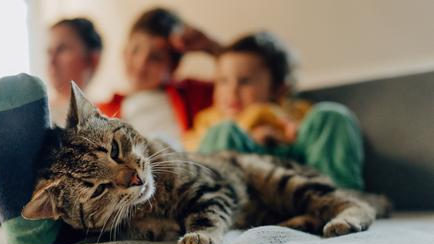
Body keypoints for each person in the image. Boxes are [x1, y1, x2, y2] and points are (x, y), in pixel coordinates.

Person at [190, 31, 364, 190]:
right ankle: (219, 203)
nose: (231, 90)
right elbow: (194, 150)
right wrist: (251, 137)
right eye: (222, 81)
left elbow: (316, 142)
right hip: (249, 181)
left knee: (330, 114)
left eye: (244, 81)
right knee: (223, 131)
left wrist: (289, 135)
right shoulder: (210, 119)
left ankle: (339, 197)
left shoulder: (292, 110)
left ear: (279, 88)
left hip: (300, 174)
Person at [98, 7, 222, 149]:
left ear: (173, 67)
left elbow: (245, 83)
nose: (141, 63)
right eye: (135, 50)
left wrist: (212, 47)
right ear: (124, 51)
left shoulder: (191, 93)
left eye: (155, 58)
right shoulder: (104, 110)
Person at [46, 17, 103, 125]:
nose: (51, 61)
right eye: (49, 52)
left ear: (92, 60)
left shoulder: (113, 117)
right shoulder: (32, 116)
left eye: (62, 49)